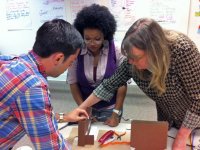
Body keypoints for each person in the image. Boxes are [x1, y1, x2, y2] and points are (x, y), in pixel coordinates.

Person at [77, 18, 200, 149]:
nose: (130, 62)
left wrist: (182, 136)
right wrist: (81, 108)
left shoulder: (182, 51)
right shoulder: (131, 63)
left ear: (154, 51)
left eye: (135, 58)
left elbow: (198, 98)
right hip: (168, 120)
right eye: (129, 57)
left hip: (195, 121)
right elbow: (108, 85)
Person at [0, 19, 89, 150]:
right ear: (58, 58)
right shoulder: (33, 87)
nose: (70, 67)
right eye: (71, 62)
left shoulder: (12, 61)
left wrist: (66, 117)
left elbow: (36, 116)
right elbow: (52, 146)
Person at [67, 4, 127, 127]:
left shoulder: (116, 51)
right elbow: (73, 83)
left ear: (105, 35)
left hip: (111, 107)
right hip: (86, 107)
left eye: (97, 39)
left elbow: (122, 85)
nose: (92, 43)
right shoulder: (77, 52)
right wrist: (82, 108)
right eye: (87, 38)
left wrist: (116, 113)